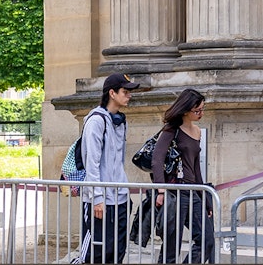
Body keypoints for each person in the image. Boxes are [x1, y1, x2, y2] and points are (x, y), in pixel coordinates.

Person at [72, 73, 140, 264]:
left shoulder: (120, 120)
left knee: (117, 252)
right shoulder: (96, 121)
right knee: (94, 253)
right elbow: (91, 163)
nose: (129, 96)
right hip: (100, 199)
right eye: (125, 92)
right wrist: (97, 198)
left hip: (120, 197)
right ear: (112, 93)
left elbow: (117, 161)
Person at [152, 88, 214, 263]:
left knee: (206, 240)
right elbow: (157, 160)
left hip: (192, 192)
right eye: (197, 110)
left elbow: (196, 168)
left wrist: (206, 199)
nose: (201, 113)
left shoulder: (197, 132)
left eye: (203, 109)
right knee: (172, 246)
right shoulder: (171, 130)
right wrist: (161, 191)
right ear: (186, 110)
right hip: (174, 193)